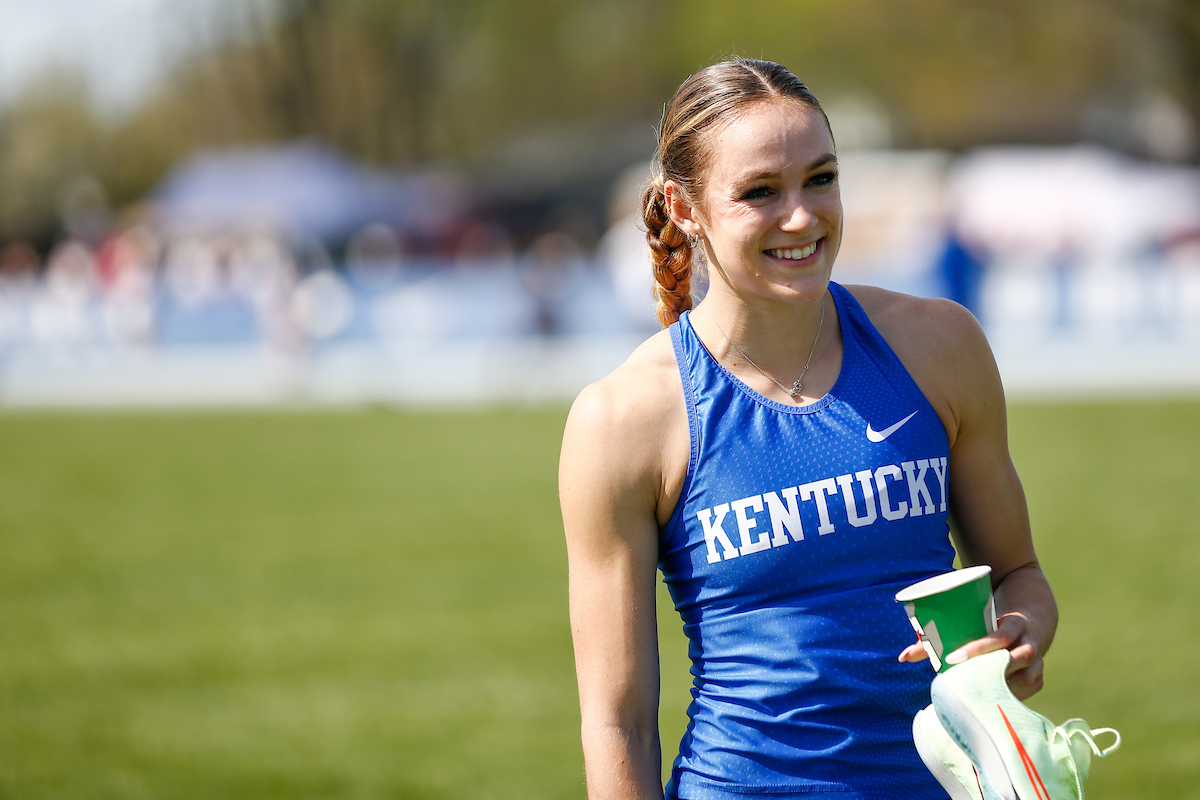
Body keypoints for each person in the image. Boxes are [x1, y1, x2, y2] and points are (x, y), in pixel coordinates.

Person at [559, 58, 1056, 800]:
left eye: (820, 179)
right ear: (685, 208)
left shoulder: (939, 347)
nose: (802, 216)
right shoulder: (625, 419)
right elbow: (618, 721)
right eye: (761, 192)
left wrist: (1017, 632)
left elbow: (1019, 573)